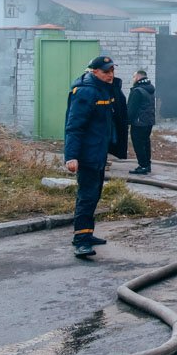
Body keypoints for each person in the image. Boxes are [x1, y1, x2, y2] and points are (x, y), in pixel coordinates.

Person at [64, 55, 128, 259]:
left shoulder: (104, 89)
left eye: (112, 71)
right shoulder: (85, 92)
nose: (110, 75)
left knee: (94, 194)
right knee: (87, 196)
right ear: (94, 72)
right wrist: (71, 156)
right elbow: (74, 127)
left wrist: (114, 84)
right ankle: (80, 241)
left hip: (98, 152)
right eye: (106, 72)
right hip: (87, 154)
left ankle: (87, 234)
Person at [127, 69, 155, 175]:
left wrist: (126, 121)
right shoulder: (149, 88)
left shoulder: (137, 91)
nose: (133, 79)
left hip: (139, 123)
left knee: (138, 144)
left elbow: (131, 109)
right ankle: (147, 165)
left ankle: (142, 166)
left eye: (134, 77)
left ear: (138, 77)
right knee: (146, 142)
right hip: (149, 121)